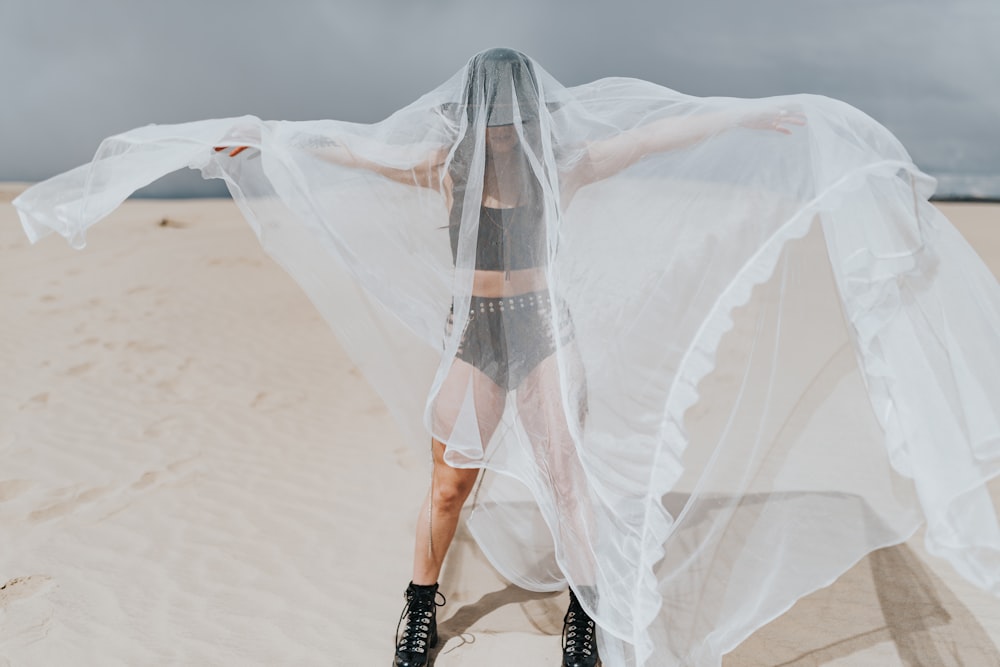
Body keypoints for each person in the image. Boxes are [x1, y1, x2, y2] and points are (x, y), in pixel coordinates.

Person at [14, 48, 999, 667]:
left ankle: (582, 612)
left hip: (544, 325)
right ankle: (419, 605)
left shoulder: (559, 163)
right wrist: (252, 148)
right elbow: (334, 148)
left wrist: (748, 116)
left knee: (569, 479)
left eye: (509, 114)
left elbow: (657, 136)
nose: (501, 128)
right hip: (475, 333)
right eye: (493, 113)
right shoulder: (437, 162)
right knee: (449, 484)